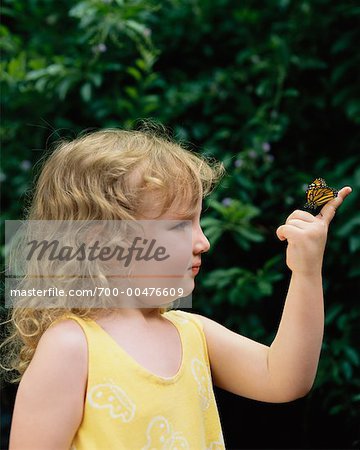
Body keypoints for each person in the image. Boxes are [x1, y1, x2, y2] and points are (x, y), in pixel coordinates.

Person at [3, 127, 351, 450]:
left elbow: (286, 379)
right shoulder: (71, 347)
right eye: (180, 225)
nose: (204, 241)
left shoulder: (192, 333)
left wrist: (306, 271)